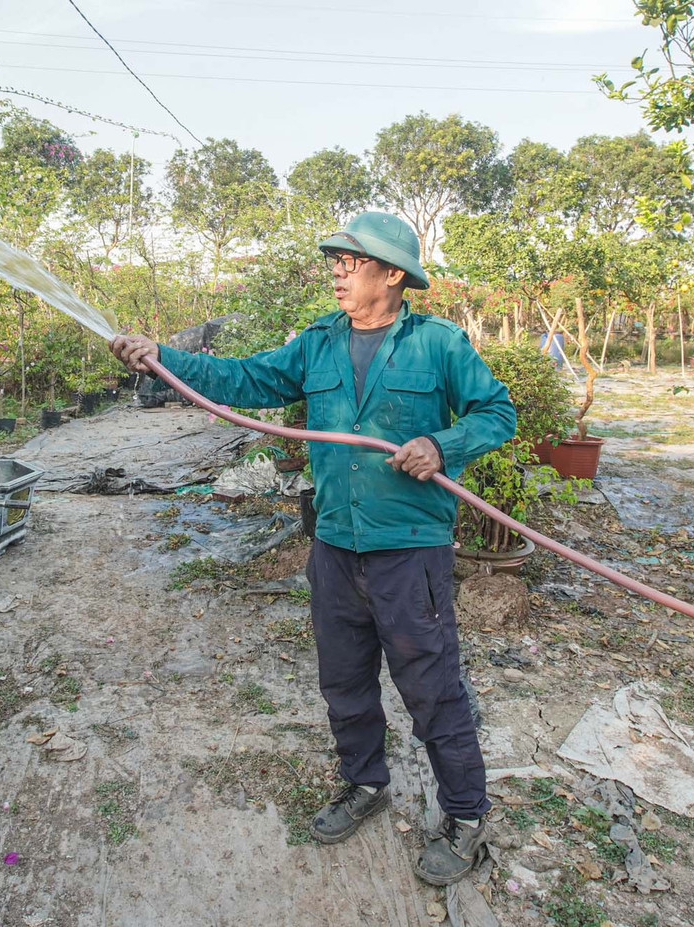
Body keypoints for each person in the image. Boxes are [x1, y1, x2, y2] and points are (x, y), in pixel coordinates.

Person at [109, 211, 516, 886]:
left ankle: (468, 814)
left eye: (351, 261)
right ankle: (364, 783)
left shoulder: (438, 344)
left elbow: (496, 412)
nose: (336, 269)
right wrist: (161, 357)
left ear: (392, 274)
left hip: (409, 551)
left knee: (432, 687)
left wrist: (443, 444)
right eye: (335, 259)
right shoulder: (319, 342)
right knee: (344, 680)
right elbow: (244, 381)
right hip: (333, 544)